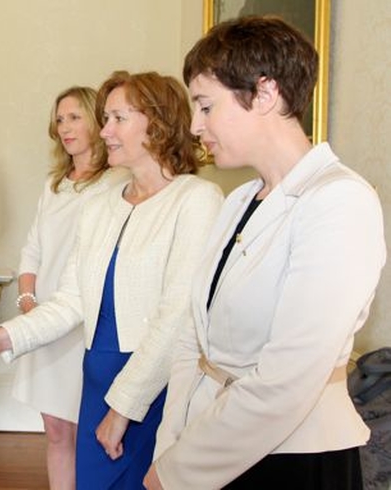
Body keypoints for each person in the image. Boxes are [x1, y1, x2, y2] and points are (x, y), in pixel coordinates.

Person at [144, 16, 387, 490]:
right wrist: (170, 445)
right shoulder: (237, 200)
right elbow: (194, 340)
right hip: (208, 441)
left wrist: (179, 470)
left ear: (265, 94)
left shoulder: (340, 200)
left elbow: (287, 377)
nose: (195, 126)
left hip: (294, 457)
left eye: (206, 106)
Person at [0, 71, 223, 489]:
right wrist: (1, 338)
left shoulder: (196, 200)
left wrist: (124, 407)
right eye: (104, 119)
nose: (104, 131)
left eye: (117, 118)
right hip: (97, 380)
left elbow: (176, 316)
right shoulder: (101, 205)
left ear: (157, 124)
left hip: (152, 385)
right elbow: (71, 300)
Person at [12, 86, 128, 489]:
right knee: (56, 430)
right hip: (45, 322)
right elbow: (33, 248)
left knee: (89, 429)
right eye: (60, 119)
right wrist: (28, 301)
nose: (65, 127)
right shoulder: (54, 184)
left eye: (75, 117)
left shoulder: (117, 182)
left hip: (85, 327)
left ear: (98, 122)